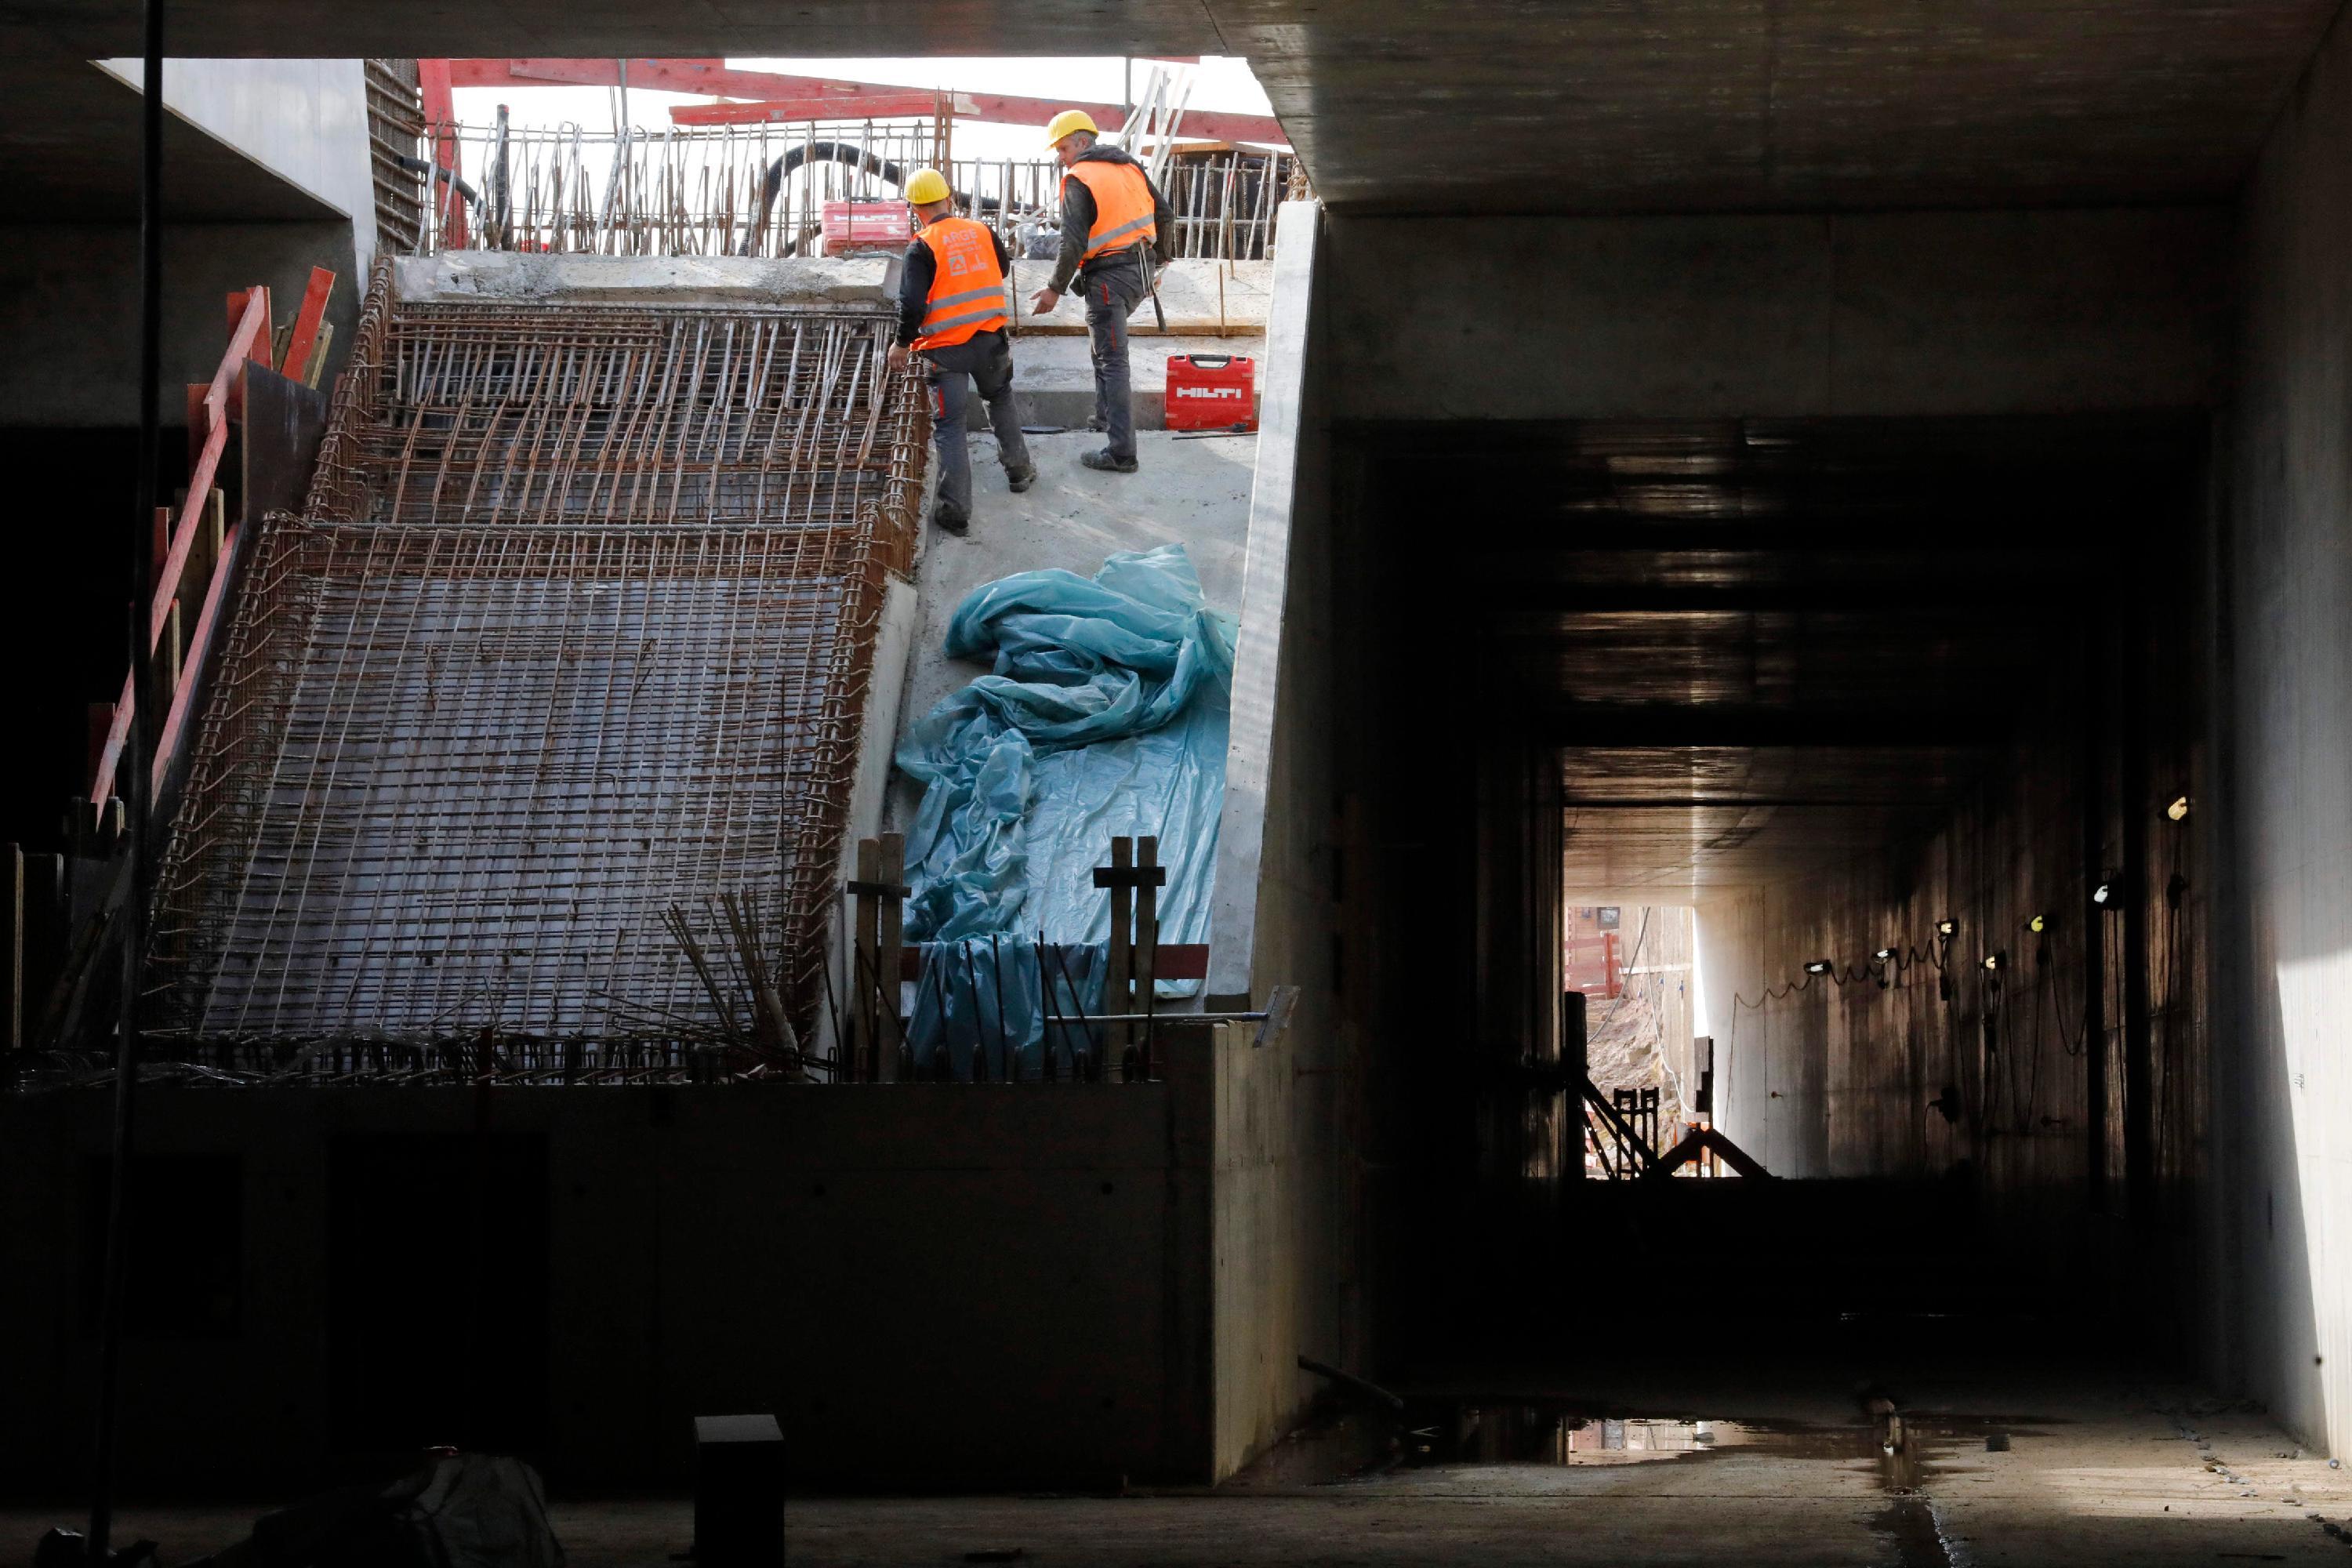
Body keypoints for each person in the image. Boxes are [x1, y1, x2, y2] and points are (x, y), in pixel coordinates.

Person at [1026, 111, 1176, 475]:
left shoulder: (1080, 178)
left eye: (1063, 149)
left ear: (1082, 142)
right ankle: (1104, 417)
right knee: (1105, 348)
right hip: (1138, 272)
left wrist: (1054, 289)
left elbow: (1072, 242)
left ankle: (1121, 453)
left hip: (1110, 279)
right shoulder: (1130, 167)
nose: (1061, 157)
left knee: (1113, 361)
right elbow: (1166, 215)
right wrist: (1159, 263)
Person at [887, 167, 1034, 535]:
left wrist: (901, 343)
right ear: (948, 198)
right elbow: (1001, 269)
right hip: (990, 340)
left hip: (945, 351)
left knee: (951, 426)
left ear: (915, 208)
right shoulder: (982, 231)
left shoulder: (921, 246)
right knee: (999, 398)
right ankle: (1020, 471)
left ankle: (956, 512)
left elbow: (912, 303)